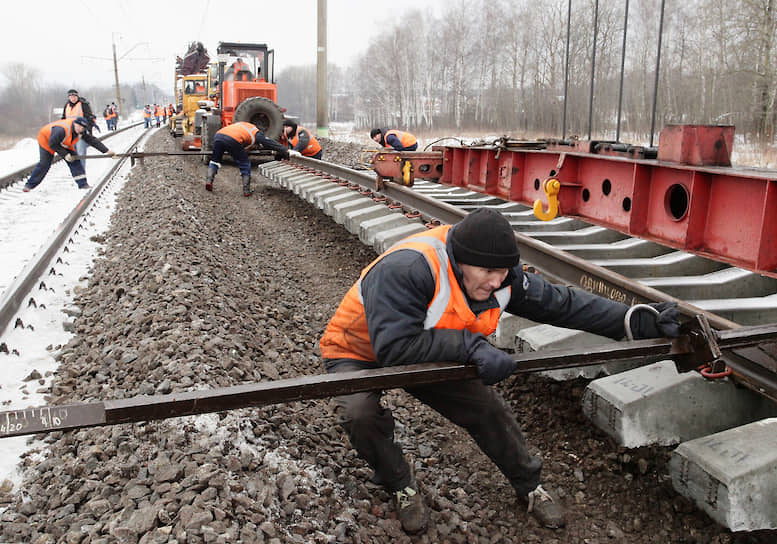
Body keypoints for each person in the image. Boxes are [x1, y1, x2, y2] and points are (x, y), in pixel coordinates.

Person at [319, 207, 681, 534]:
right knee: (359, 413)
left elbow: (561, 304)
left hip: (426, 349)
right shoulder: (409, 269)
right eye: (487, 272)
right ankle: (400, 483)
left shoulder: (503, 277)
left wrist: (633, 320)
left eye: (502, 272)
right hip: (360, 350)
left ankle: (529, 486)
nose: (495, 281)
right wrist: (471, 346)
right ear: (460, 261)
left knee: (486, 408)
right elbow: (395, 348)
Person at [23, 116, 116, 192]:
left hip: (64, 142)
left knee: (74, 160)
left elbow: (92, 140)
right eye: (79, 127)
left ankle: (83, 184)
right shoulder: (62, 130)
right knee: (45, 163)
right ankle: (29, 185)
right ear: (75, 124)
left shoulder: (80, 131)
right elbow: (52, 144)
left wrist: (106, 151)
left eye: (83, 128)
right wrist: (65, 154)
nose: (80, 129)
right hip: (46, 140)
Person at [205, 121, 293, 197]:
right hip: (233, 139)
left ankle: (209, 181)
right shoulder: (256, 132)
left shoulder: (242, 125)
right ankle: (246, 190)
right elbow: (268, 142)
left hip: (218, 136)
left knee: (215, 160)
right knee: (244, 163)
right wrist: (285, 150)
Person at [62, 89, 98, 169]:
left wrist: (88, 130)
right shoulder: (66, 106)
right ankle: (76, 171)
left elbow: (89, 118)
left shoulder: (83, 105)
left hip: (80, 134)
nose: (73, 98)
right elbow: (63, 118)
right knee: (73, 154)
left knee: (81, 153)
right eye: (71, 96)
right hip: (70, 134)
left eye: (74, 96)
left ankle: (81, 171)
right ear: (69, 97)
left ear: (77, 96)